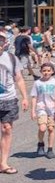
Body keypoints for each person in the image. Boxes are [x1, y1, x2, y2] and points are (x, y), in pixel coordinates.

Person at [0, 34, 28, 174]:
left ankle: (3, 163)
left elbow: (19, 79)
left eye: (1, 40)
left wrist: (24, 97)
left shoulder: (11, 58)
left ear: (5, 43)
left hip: (9, 99)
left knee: (7, 129)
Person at [30, 61, 55, 158]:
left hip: (53, 109)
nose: (46, 72)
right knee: (42, 128)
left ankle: (50, 149)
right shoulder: (37, 83)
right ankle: (40, 144)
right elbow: (34, 97)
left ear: (52, 71)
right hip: (41, 108)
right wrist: (33, 111)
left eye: (48, 71)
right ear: (41, 71)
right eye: (44, 71)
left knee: (51, 128)